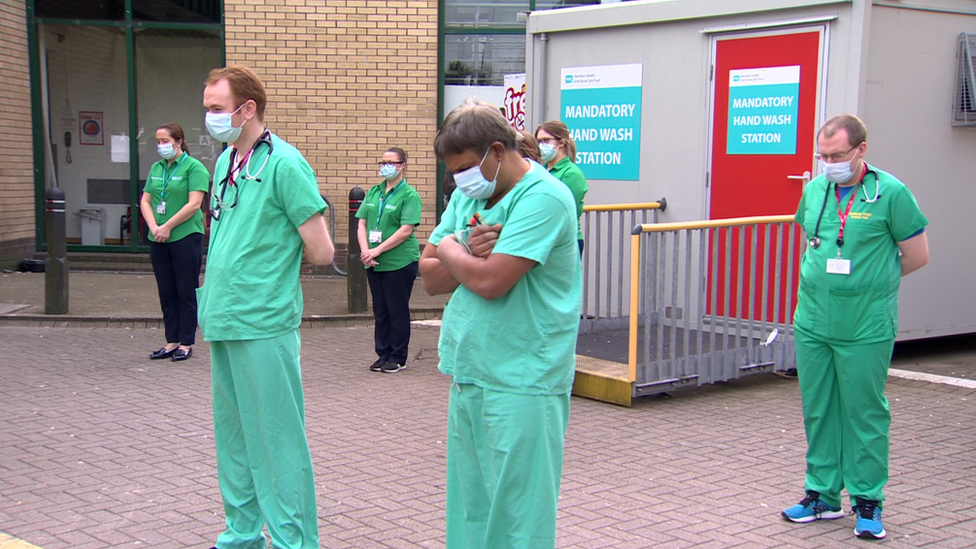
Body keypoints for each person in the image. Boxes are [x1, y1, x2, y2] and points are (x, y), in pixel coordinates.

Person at [419, 98, 582, 549]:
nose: (458, 180)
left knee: (518, 517)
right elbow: (430, 278)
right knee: (472, 510)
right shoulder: (470, 195)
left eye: (465, 167)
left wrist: (452, 250)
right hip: (471, 371)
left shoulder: (546, 198)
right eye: (452, 172)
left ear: (496, 150)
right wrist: (466, 251)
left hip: (524, 377)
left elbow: (491, 282)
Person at [197, 64, 334, 549]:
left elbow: (322, 251)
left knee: (276, 441)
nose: (210, 117)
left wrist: (267, 265)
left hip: (263, 321)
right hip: (223, 318)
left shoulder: (286, 165)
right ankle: (242, 534)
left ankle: (295, 541)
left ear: (247, 108)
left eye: (216, 108)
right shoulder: (225, 163)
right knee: (233, 440)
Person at [782, 114, 929, 540]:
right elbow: (814, 243)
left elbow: (917, 255)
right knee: (819, 408)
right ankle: (822, 496)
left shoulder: (891, 194)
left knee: (864, 412)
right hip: (813, 321)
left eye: (837, 155)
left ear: (861, 150)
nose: (829, 163)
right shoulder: (815, 191)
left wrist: (870, 284)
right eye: (823, 155)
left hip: (864, 325)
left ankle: (867, 499)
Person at [140, 122, 209, 362]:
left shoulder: (194, 167)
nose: (161, 146)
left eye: (165, 141)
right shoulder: (156, 168)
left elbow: (194, 204)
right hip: (158, 237)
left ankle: (186, 342)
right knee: (166, 291)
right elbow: (146, 200)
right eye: (158, 142)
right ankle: (171, 341)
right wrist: (154, 227)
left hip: (184, 236)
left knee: (185, 291)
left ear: (178, 141)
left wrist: (168, 226)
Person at [356, 147, 422, 374]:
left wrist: (378, 250)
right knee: (380, 310)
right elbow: (362, 223)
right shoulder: (374, 192)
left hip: (399, 262)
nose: (386, 166)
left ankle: (398, 356)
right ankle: (383, 353)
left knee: (397, 310)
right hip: (374, 261)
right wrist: (366, 251)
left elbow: (405, 230)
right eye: (383, 161)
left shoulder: (409, 195)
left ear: (403, 165)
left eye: (392, 162)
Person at [536, 120, 587, 255]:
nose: (541, 146)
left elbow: (562, 208)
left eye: (546, 140)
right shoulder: (541, 170)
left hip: (565, 242)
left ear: (562, 142)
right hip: (544, 239)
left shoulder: (571, 173)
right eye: (539, 141)